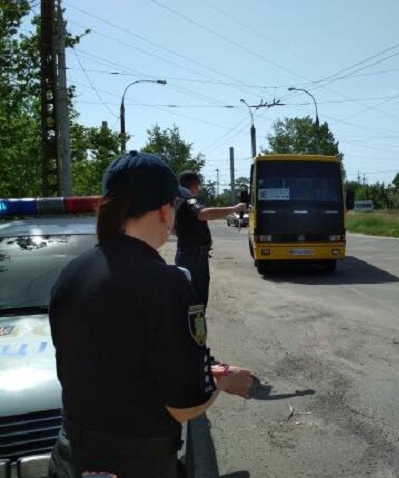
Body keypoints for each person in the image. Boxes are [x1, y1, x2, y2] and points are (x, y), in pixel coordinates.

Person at [48, 151, 252, 478]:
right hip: (135, 464)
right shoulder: (167, 285)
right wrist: (222, 380)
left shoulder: (73, 272)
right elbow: (185, 406)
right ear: (163, 211)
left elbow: (118, 361)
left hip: (69, 457)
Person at [174, 170, 246, 309]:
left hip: (186, 252)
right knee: (197, 297)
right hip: (194, 255)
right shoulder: (189, 199)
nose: (199, 188)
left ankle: (188, 326)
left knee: (187, 294)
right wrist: (234, 208)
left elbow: (173, 228)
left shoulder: (177, 200)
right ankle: (195, 328)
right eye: (198, 185)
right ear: (194, 184)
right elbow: (203, 213)